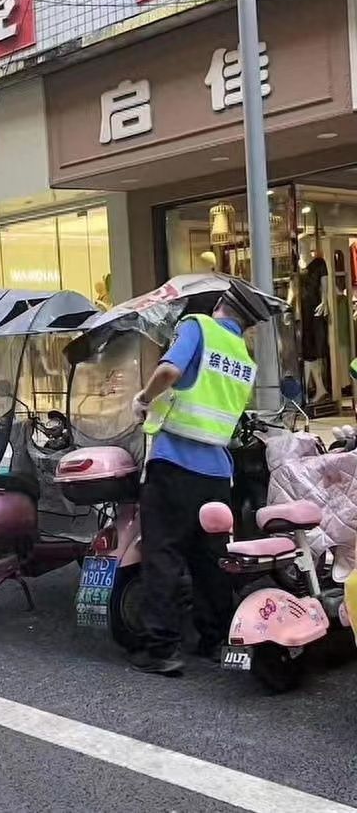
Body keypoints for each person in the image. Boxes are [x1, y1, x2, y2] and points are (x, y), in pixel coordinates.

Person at [130, 280, 271, 676]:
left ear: (221, 304)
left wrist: (143, 399)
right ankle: (214, 639)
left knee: (163, 555)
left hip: (174, 463)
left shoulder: (197, 327)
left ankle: (161, 649)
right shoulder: (244, 358)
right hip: (217, 474)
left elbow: (171, 370)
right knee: (210, 560)